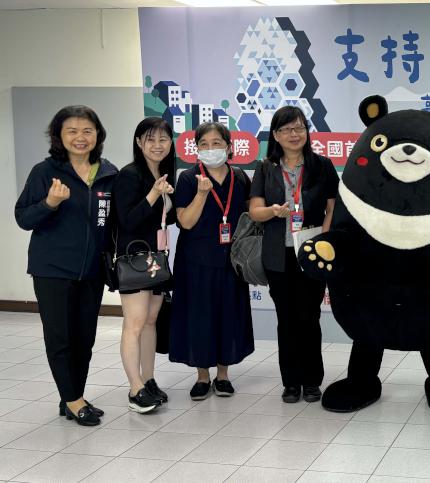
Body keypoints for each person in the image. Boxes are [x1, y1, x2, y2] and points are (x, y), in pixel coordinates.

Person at [15, 105, 119, 426]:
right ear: (59, 136)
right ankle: (74, 400)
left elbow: (114, 221)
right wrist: (49, 203)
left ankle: (72, 397)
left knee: (84, 339)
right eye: (71, 131)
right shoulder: (45, 172)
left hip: (92, 270)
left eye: (87, 130)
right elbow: (23, 217)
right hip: (52, 270)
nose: (80, 137)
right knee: (60, 338)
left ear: (98, 134)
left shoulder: (108, 173)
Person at [250, 106, 339, 403]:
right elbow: (255, 211)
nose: (294, 134)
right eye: (287, 129)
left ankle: (312, 381)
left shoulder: (322, 165)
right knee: (286, 320)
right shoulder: (265, 168)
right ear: (275, 135)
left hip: (312, 253)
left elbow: (333, 207)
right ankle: (291, 382)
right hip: (278, 255)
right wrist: (273, 211)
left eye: (299, 128)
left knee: (310, 317)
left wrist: (324, 238)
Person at [170, 122, 254, 400]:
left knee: (228, 316)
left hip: (232, 261)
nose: (210, 149)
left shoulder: (240, 177)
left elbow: (250, 216)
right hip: (196, 261)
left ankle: (223, 375)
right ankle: (202, 377)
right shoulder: (188, 178)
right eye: (203, 144)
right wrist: (202, 194)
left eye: (216, 143)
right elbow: (185, 221)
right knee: (200, 317)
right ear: (196, 148)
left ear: (229, 147)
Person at [112, 117, 177, 413]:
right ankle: (134, 388)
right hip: (134, 259)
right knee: (135, 323)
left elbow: (166, 218)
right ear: (139, 142)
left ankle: (149, 380)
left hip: (156, 258)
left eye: (163, 139)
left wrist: (168, 197)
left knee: (151, 320)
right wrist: (153, 194)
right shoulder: (129, 175)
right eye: (150, 139)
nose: (157, 145)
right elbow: (127, 220)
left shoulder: (164, 173)